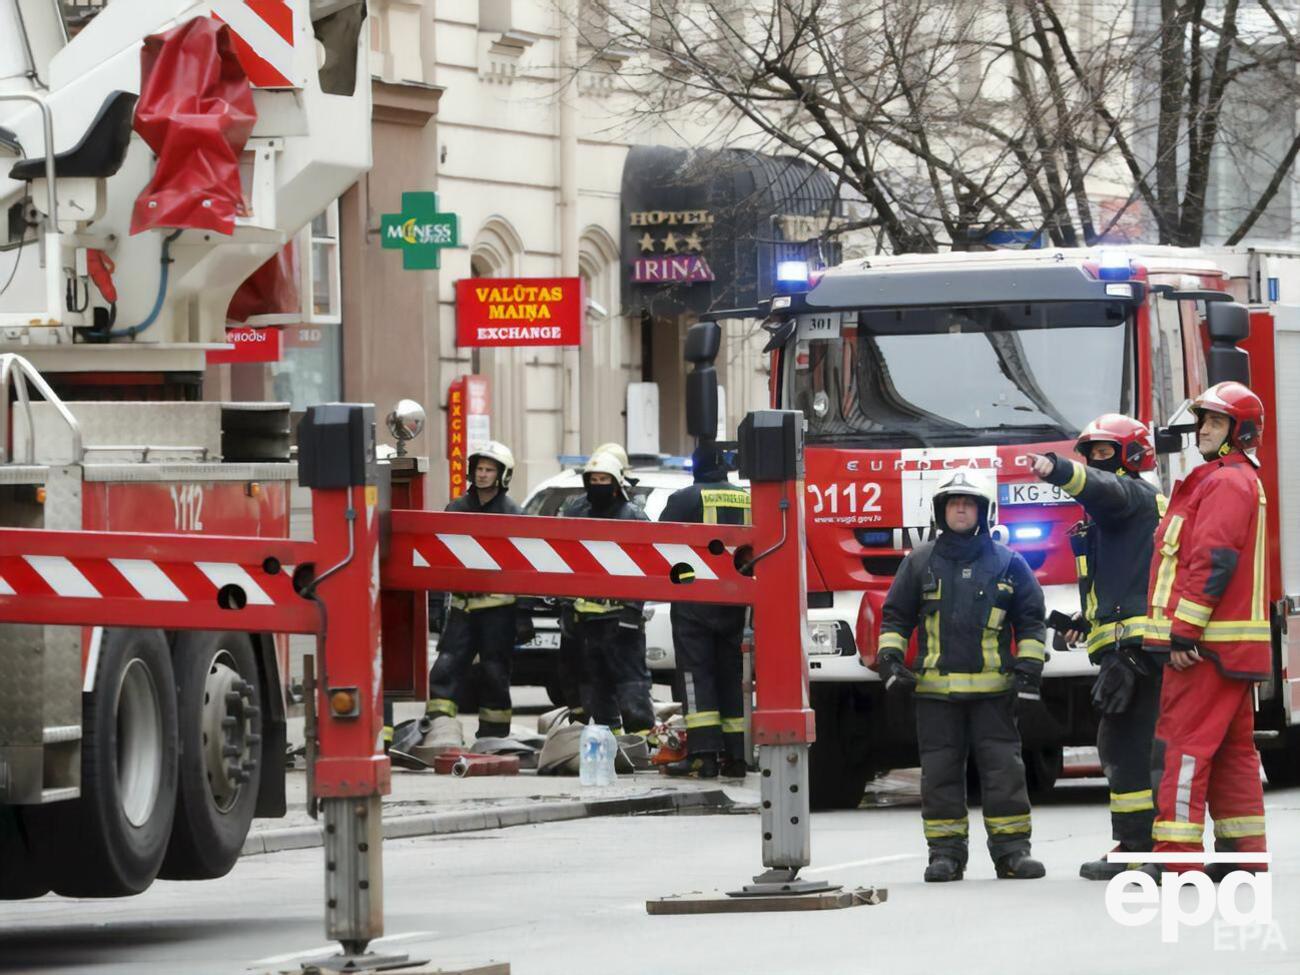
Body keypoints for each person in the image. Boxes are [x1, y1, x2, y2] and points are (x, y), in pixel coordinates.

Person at [877, 471, 1048, 882]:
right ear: (941, 510)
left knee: (1003, 772)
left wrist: (1029, 668)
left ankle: (1012, 853)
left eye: (968, 503)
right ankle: (946, 855)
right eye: (953, 502)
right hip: (935, 695)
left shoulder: (1009, 563)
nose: (960, 508)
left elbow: (1031, 620)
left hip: (994, 694)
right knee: (939, 775)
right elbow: (896, 616)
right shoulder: (920, 561)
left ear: (982, 512)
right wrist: (889, 658)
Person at [1027, 415, 1164, 880]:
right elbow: (1126, 579)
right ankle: (1132, 843)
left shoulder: (1133, 497)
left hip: (1139, 654)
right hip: (1123, 649)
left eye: (1104, 453)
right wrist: (1087, 621)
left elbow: (1107, 490)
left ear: (1134, 455)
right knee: (1119, 744)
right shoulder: (1116, 517)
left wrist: (1058, 469)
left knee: (1139, 749)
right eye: (1089, 455)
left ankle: (1152, 847)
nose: (1095, 463)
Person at [1143, 381, 1270, 876]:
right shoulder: (1229, 478)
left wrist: (1184, 634)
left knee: (1184, 748)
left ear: (1241, 432)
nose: (1204, 430)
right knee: (1235, 750)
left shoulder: (1224, 482)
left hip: (1205, 649)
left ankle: (1176, 859)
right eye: (1203, 421)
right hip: (1228, 648)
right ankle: (1245, 855)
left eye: (1216, 422)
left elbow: (1211, 561)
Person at [410, 441, 522, 760]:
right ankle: (438, 729)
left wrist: (524, 615)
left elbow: (524, 568)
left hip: (499, 613)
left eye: (490, 470)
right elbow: (438, 563)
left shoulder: (513, 513)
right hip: (462, 609)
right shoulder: (457, 509)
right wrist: (433, 607)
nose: (483, 475)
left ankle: (494, 736)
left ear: (502, 475)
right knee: (446, 667)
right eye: (479, 469)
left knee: (495, 673)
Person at [657, 441, 751, 779]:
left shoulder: (684, 498)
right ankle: (738, 755)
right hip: (738, 601)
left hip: (694, 600)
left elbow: (659, 543)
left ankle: (704, 755)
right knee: (732, 677)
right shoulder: (747, 498)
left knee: (696, 678)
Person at [561, 447, 656, 737]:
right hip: (585, 621)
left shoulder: (634, 518)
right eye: (594, 479)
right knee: (594, 684)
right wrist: (567, 610)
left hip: (620, 621)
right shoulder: (577, 513)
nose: (598, 485)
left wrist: (632, 610)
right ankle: (609, 743)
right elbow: (564, 562)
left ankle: (642, 744)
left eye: (604, 479)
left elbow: (646, 568)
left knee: (631, 686)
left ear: (616, 484)